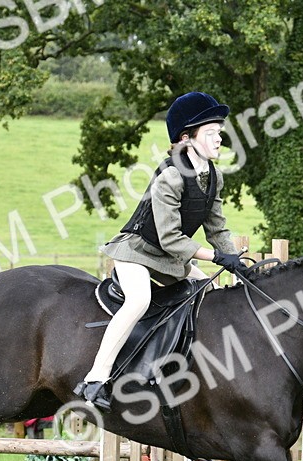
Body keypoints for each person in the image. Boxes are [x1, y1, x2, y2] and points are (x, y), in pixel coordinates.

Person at [76, 91, 242, 410]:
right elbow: (170, 239)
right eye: (212, 132)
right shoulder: (170, 177)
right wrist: (216, 257)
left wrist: (237, 264)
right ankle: (95, 379)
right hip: (136, 253)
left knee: (212, 290)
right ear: (186, 138)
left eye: (220, 130)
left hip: (169, 260)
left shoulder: (213, 177)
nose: (220, 137)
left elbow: (217, 229)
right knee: (140, 300)